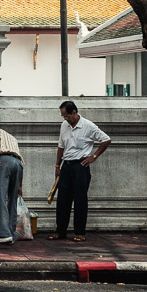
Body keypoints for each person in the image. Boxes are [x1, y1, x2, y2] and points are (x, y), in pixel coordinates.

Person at [52, 100, 111, 242]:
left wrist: (94, 156)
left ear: (74, 112)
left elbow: (106, 140)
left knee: (80, 200)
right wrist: (57, 166)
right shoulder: (64, 126)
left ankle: (80, 232)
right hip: (67, 165)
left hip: (81, 166)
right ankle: (60, 231)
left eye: (66, 115)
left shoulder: (88, 126)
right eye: (63, 116)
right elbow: (61, 146)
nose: (65, 118)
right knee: (62, 200)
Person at [0, 125, 24, 245]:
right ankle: (11, 234)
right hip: (18, 164)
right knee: (12, 200)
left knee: (1, 198)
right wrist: (19, 186)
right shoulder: (12, 138)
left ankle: (3, 234)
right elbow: (20, 161)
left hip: (4, 161)